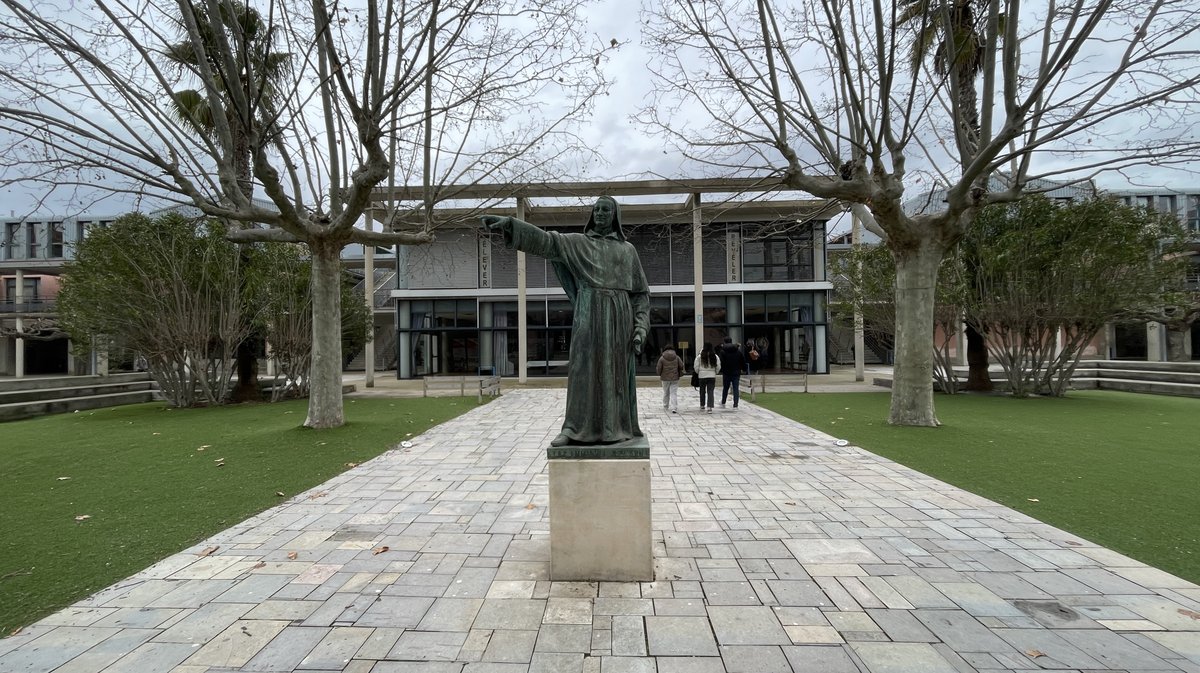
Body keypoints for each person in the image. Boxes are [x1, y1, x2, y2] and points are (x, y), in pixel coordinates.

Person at [481, 196, 650, 446]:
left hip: (619, 318)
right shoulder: (577, 243)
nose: (601, 213)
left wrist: (641, 327)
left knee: (613, 374)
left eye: (607, 210)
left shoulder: (628, 250)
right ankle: (573, 428)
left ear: (615, 216)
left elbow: (641, 294)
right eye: (597, 209)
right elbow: (546, 242)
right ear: (592, 214)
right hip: (589, 311)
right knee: (581, 368)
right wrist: (511, 224)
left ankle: (614, 428)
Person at [717, 336, 746, 408]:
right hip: (736, 372)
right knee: (736, 388)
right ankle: (735, 404)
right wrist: (744, 369)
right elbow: (742, 361)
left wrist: (721, 370)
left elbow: (721, 362)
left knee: (725, 388)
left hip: (726, 372)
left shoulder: (723, 351)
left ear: (725, 342)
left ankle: (723, 401)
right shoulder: (738, 351)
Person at [693, 342, 720, 413]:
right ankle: (709, 407)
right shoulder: (715, 356)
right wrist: (715, 372)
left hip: (702, 376)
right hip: (711, 375)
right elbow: (718, 366)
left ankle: (702, 404)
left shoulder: (700, 356)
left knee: (702, 391)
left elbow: (696, 366)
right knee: (710, 391)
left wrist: (699, 372)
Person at [656, 345, 683, 413]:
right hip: (675, 377)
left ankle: (665, 406)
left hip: (665, 378)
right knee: (674, 393)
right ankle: (674, 407)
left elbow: (659, 368)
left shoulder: (662, 358)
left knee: (666, 392)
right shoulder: (677, 357)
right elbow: (681, 365)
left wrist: (659, 374)